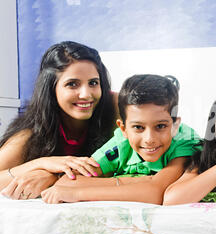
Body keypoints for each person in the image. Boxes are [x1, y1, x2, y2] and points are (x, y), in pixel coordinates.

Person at [41, 74, 201, 204]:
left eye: (160, 126)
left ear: (175, 126)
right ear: (123, 128)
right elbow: (67, 183)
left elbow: (155, 193)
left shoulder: (185, 139)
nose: (149, 139)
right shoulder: (121, 143)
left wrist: (78, 194)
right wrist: (142, 181)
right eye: (138, 127)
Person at [0, 41, 116, 200]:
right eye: (72, 84)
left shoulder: (117, 108)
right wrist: (40, 164)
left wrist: (53, 178)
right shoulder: (28, 135)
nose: (86, 94)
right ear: (51, 88)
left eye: (93, 83)